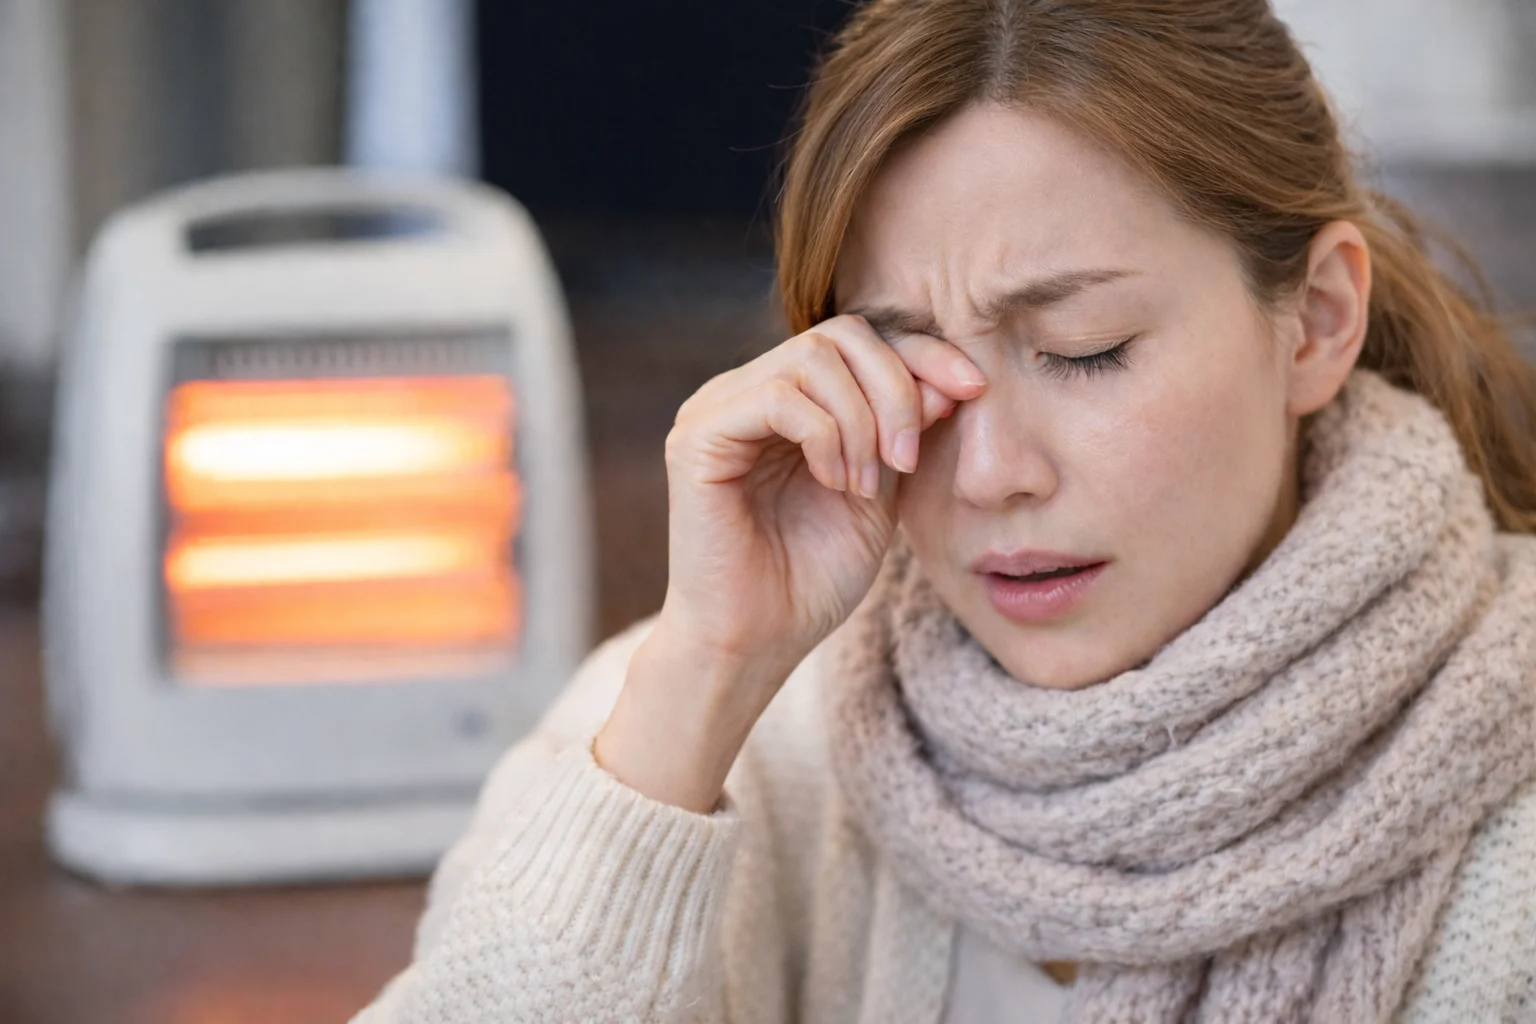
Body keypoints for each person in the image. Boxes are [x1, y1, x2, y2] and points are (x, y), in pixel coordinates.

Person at [354, 1, 1536, 1021]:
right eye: (909, 371)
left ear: (1318, 319)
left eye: (1084, 351)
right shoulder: (719, 738)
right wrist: (702, 672)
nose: (986, 474)